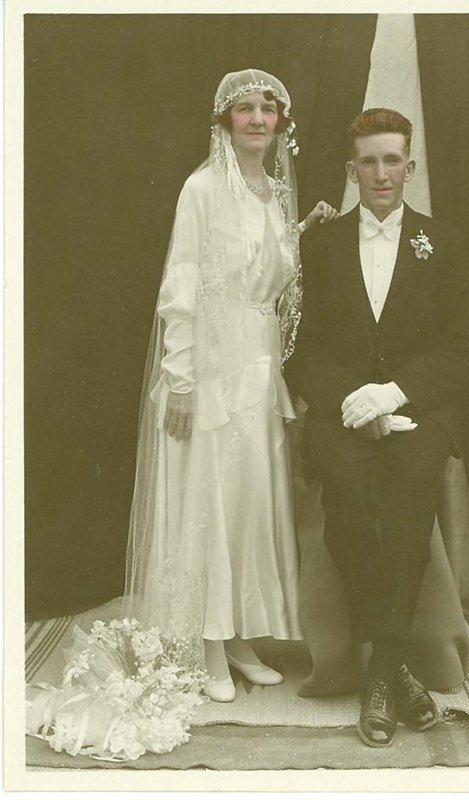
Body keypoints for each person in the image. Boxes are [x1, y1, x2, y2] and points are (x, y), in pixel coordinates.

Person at [123, 69, 338, 703]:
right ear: (225, 121)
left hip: (257, 369)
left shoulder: (273, 192)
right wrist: (182, 382)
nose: (257, 119)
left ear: (280, 123)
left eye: (267, 109)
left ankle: (239, 634)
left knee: (248, 507)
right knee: (209, 504)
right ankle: (207, 643)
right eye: (244, 109)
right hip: (212, 372)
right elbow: (182, 286)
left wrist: (303, 234)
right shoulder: (202, 189)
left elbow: (262, 275)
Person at [284, 108, 469, 746]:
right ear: (351, 170)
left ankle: (381, 669)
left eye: (392, 159)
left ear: (411, 167)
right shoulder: (318, 244)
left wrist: (394, 394)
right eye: (368, 161)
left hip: (418, 412)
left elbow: (465, 348)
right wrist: (355, 401)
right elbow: (301, 349)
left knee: (408, 489)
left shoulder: (444, 241)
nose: (381, 173)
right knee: (343, 488)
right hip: (344, 416)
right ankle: (393, 670)